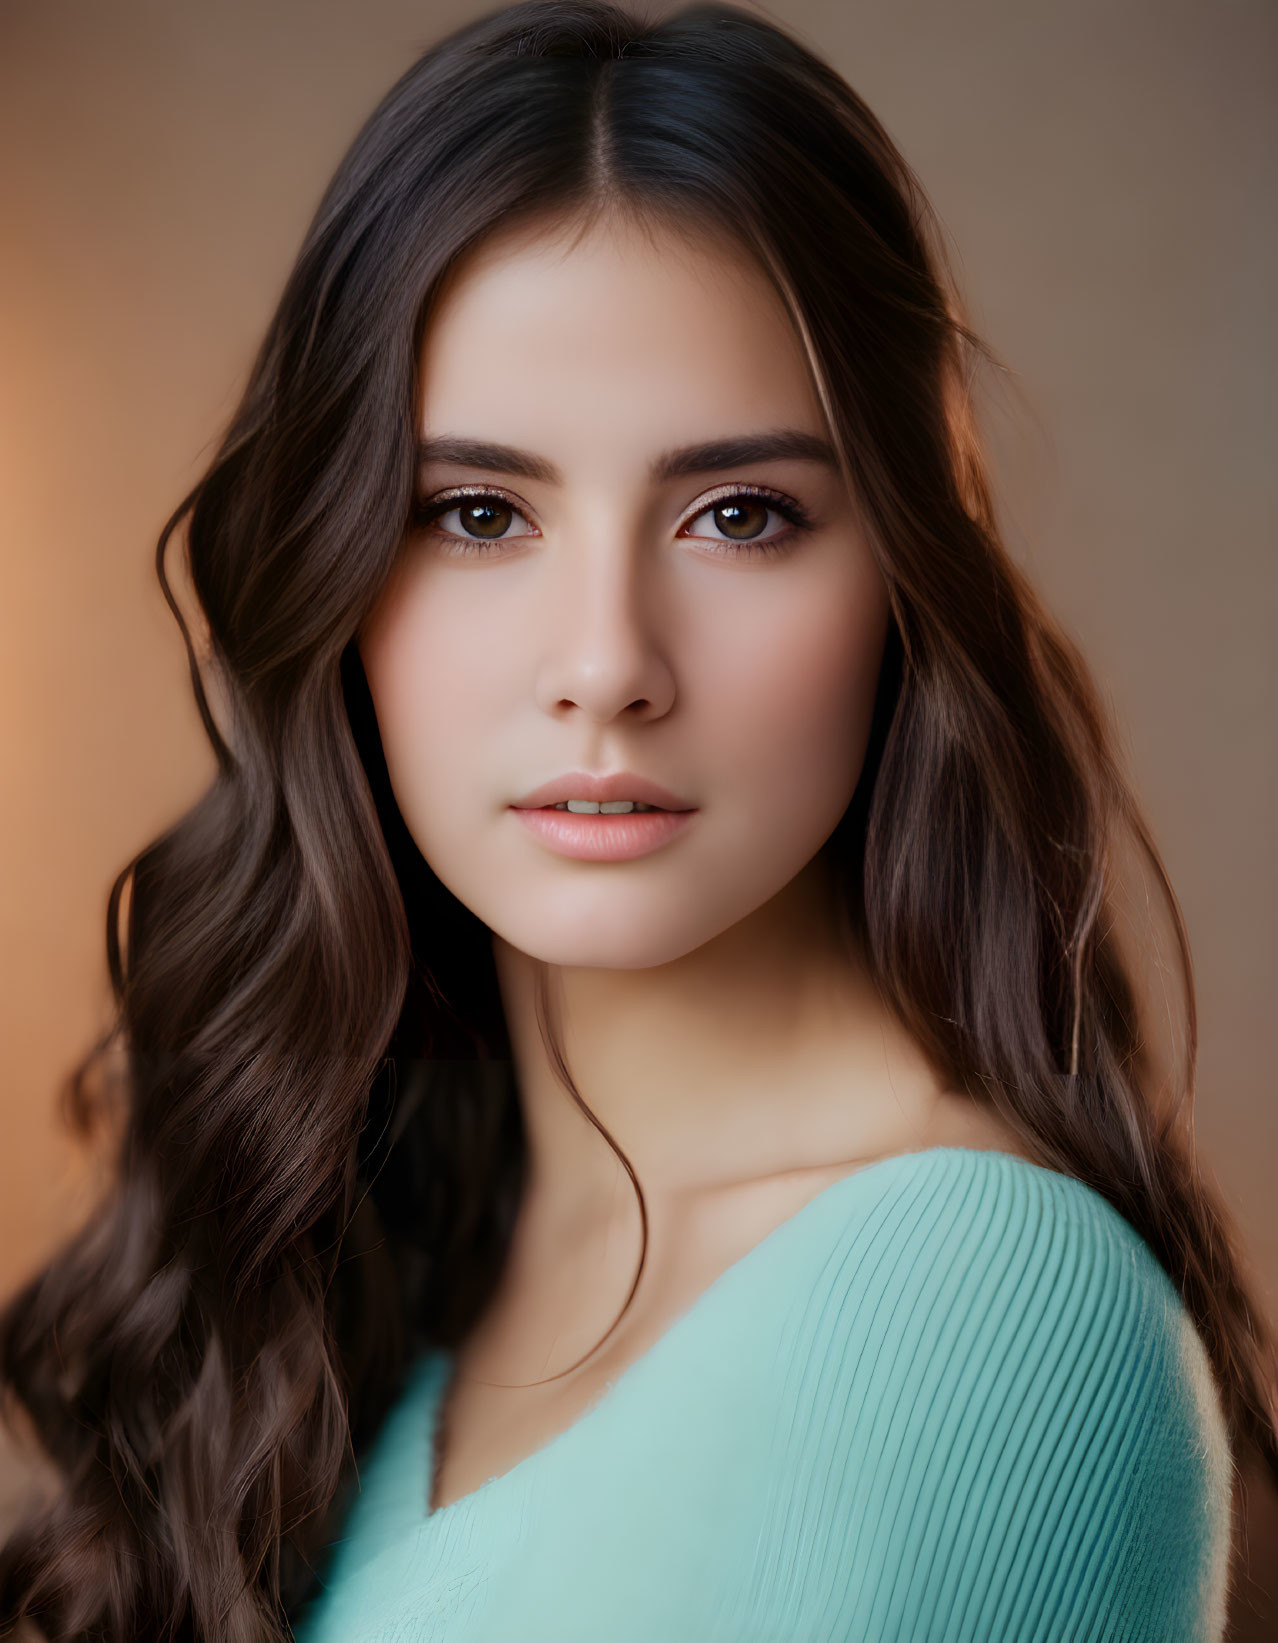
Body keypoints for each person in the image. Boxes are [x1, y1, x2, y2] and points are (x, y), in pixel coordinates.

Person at [1, 2, 1274, 1639]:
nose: (604, 664)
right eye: (474, 514)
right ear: (330, 582)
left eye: (740, 515)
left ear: (900, 578)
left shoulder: (976, 1305)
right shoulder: (405, 1246)